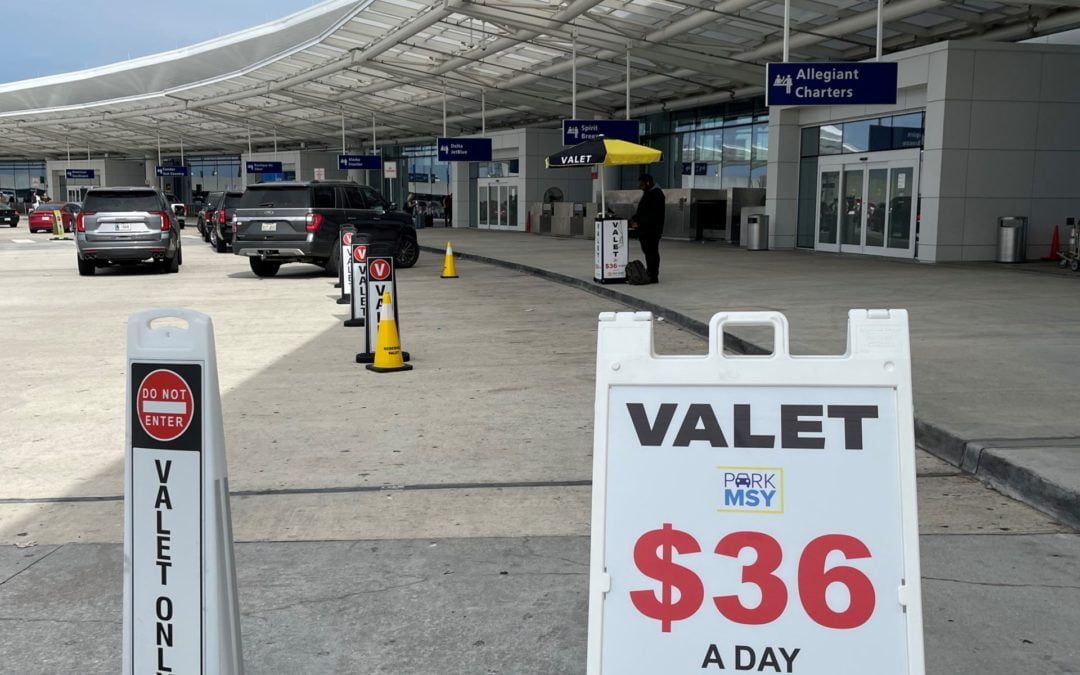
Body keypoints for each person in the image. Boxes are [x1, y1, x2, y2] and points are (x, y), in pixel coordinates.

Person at [630, 173, 665, 284]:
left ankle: (653, 275)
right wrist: (634, 219)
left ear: (647, 183)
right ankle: (650, 272)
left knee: (652, 252)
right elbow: (643, 211)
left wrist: (639, 222)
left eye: (642, 183)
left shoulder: (656, 194)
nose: (640, 186)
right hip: (646, 229)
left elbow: (652, 214)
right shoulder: (649, 193)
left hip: (651, 230)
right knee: (649, 252)